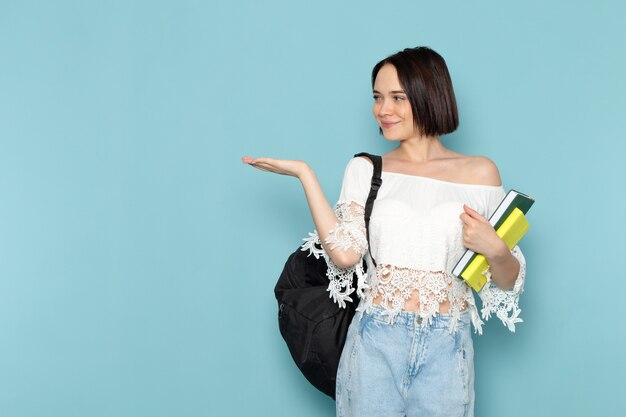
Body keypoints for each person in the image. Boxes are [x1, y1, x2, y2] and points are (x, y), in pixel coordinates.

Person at [242, 46, 526, 417]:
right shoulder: (365, 169)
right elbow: (345, 255)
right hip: (375, 338)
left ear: (430, 95)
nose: (382, 110)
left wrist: (496, 249)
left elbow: (507, 280)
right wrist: (305, 175)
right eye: (377, 97)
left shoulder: (481, 174)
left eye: (396, 98)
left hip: (448, 341)